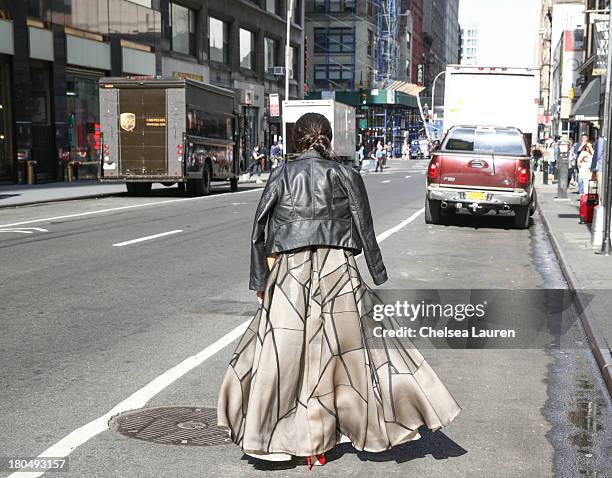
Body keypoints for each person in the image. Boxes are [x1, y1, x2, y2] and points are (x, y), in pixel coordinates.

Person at [217, 112, 461, 468]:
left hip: (291, 271)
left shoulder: (282, 173)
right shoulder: (346, 174)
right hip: (338, 269)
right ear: (328, 139)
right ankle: (355, 427)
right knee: (347, 355)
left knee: (283, 354)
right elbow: (364, 223)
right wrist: (376, 272)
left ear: (297, 139)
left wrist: (260, 282)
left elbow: (259, 229)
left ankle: (277, 435)